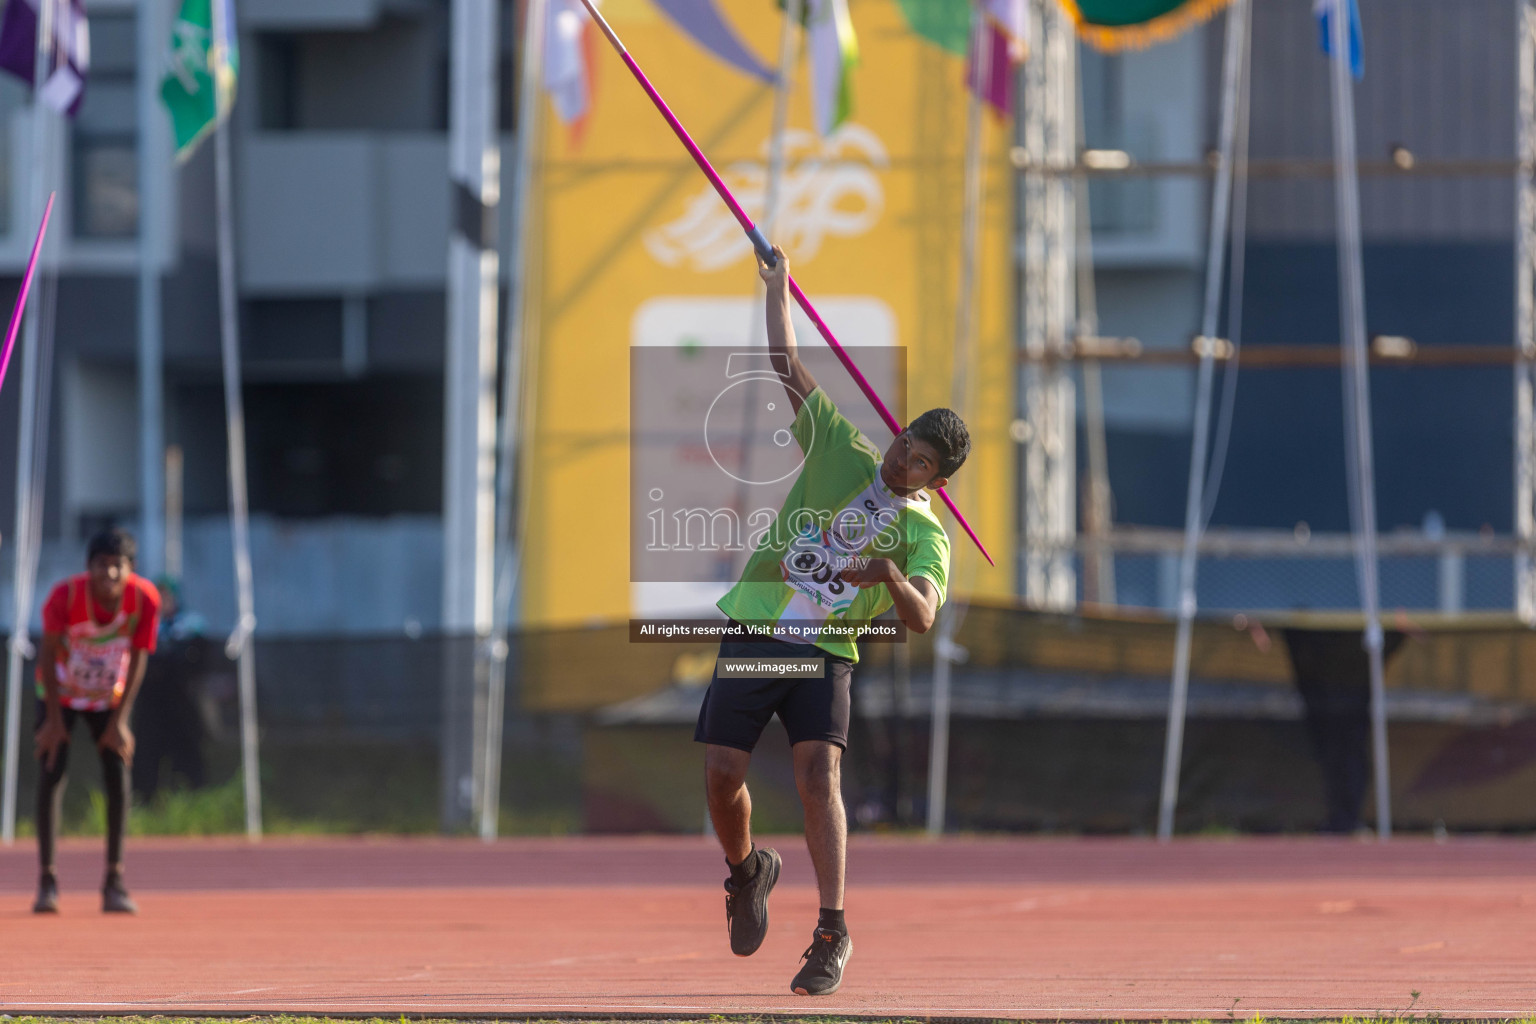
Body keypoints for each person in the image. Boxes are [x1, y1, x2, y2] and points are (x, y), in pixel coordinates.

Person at [696, 246, 967, 995]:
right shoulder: (840, 446)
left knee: (820, 776)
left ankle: (832, 930)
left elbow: (921, 617)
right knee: (723, 777)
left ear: (936, 482)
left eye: (921, 462)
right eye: (908, 440)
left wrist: (885, 574)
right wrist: (778, 286)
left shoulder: (926, 535)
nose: (904, 456)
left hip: (826, 650)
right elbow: (785, 360)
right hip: (757, 624)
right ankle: (748, 872)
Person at [31, 527, 161, 914]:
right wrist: (53, 721)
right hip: (61, 693)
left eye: (117, 566)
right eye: (101, 566)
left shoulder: (143, 600)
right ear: (88, 568)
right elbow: (46, 655)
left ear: (130, 569)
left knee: (118, 775)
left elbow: (139, 656)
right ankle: (47, 881)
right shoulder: (65, 597)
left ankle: (114, 881)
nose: (109, 575)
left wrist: (120, 721)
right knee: (52, 770)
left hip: (109, 698)